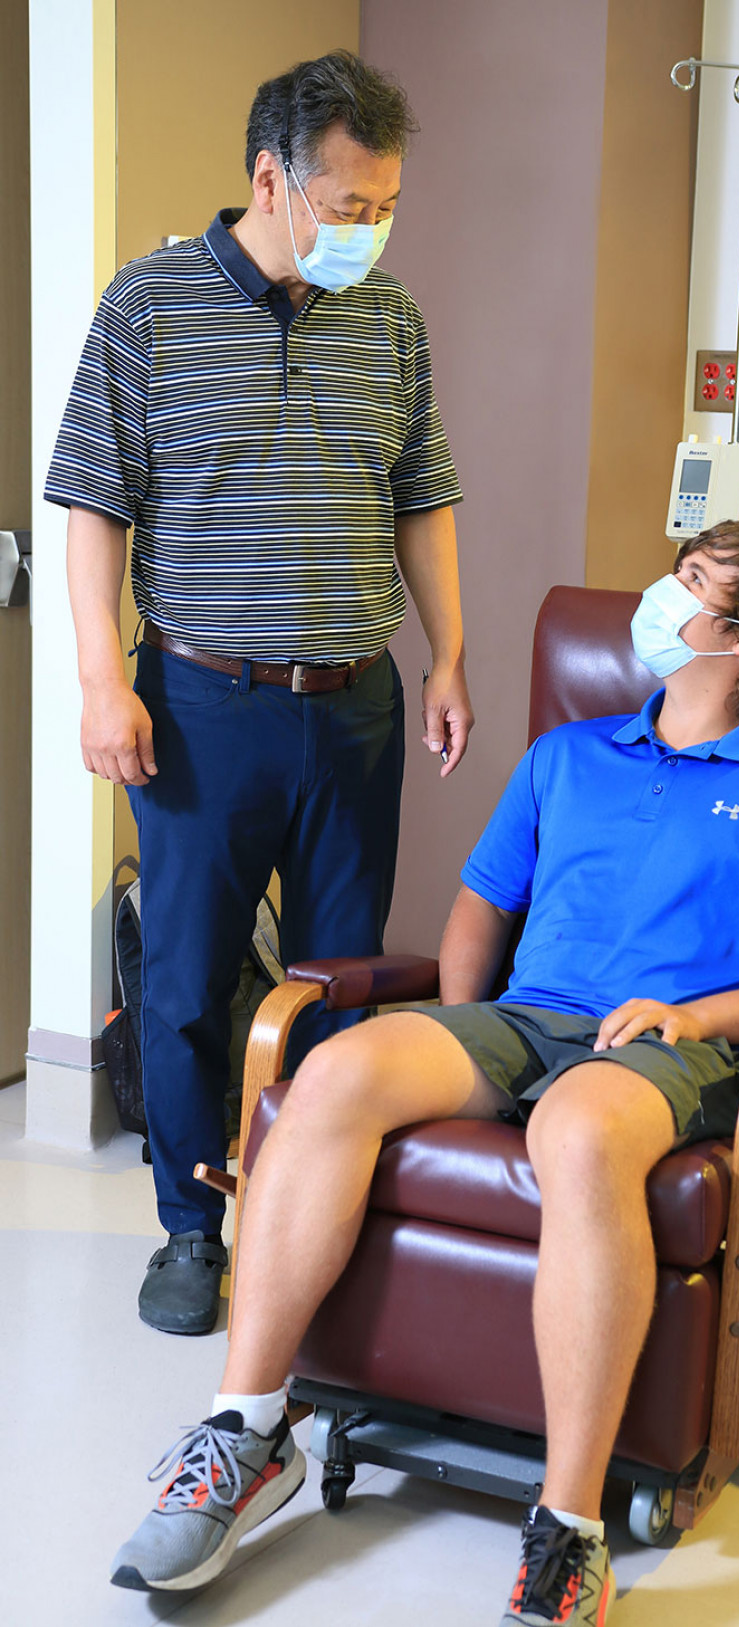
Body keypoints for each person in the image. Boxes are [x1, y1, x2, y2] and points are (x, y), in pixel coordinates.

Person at [110, 522, 739, 1624]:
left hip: (679, 1046)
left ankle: (567, 1528)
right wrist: (456, 1042)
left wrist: (692, 1011)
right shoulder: (570, 755)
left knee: (574, 1129)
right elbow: (482, 903)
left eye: (693, 586)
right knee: (332, 1073)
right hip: (525, 1019)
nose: (661, 595)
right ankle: (247, 1431)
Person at [45, 52, 473, 1336]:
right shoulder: (148, 309)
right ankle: (192, 1227)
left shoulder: (386, 319)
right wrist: (93, 680)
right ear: (270, 177)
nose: (369, 231)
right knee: (185, 983)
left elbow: (423, 496)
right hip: (200, 705)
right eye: (348, 206)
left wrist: (448, 653)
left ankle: (316, 1211)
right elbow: (91, 507)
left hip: (352, 703)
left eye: (386, 206)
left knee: (341, 982)